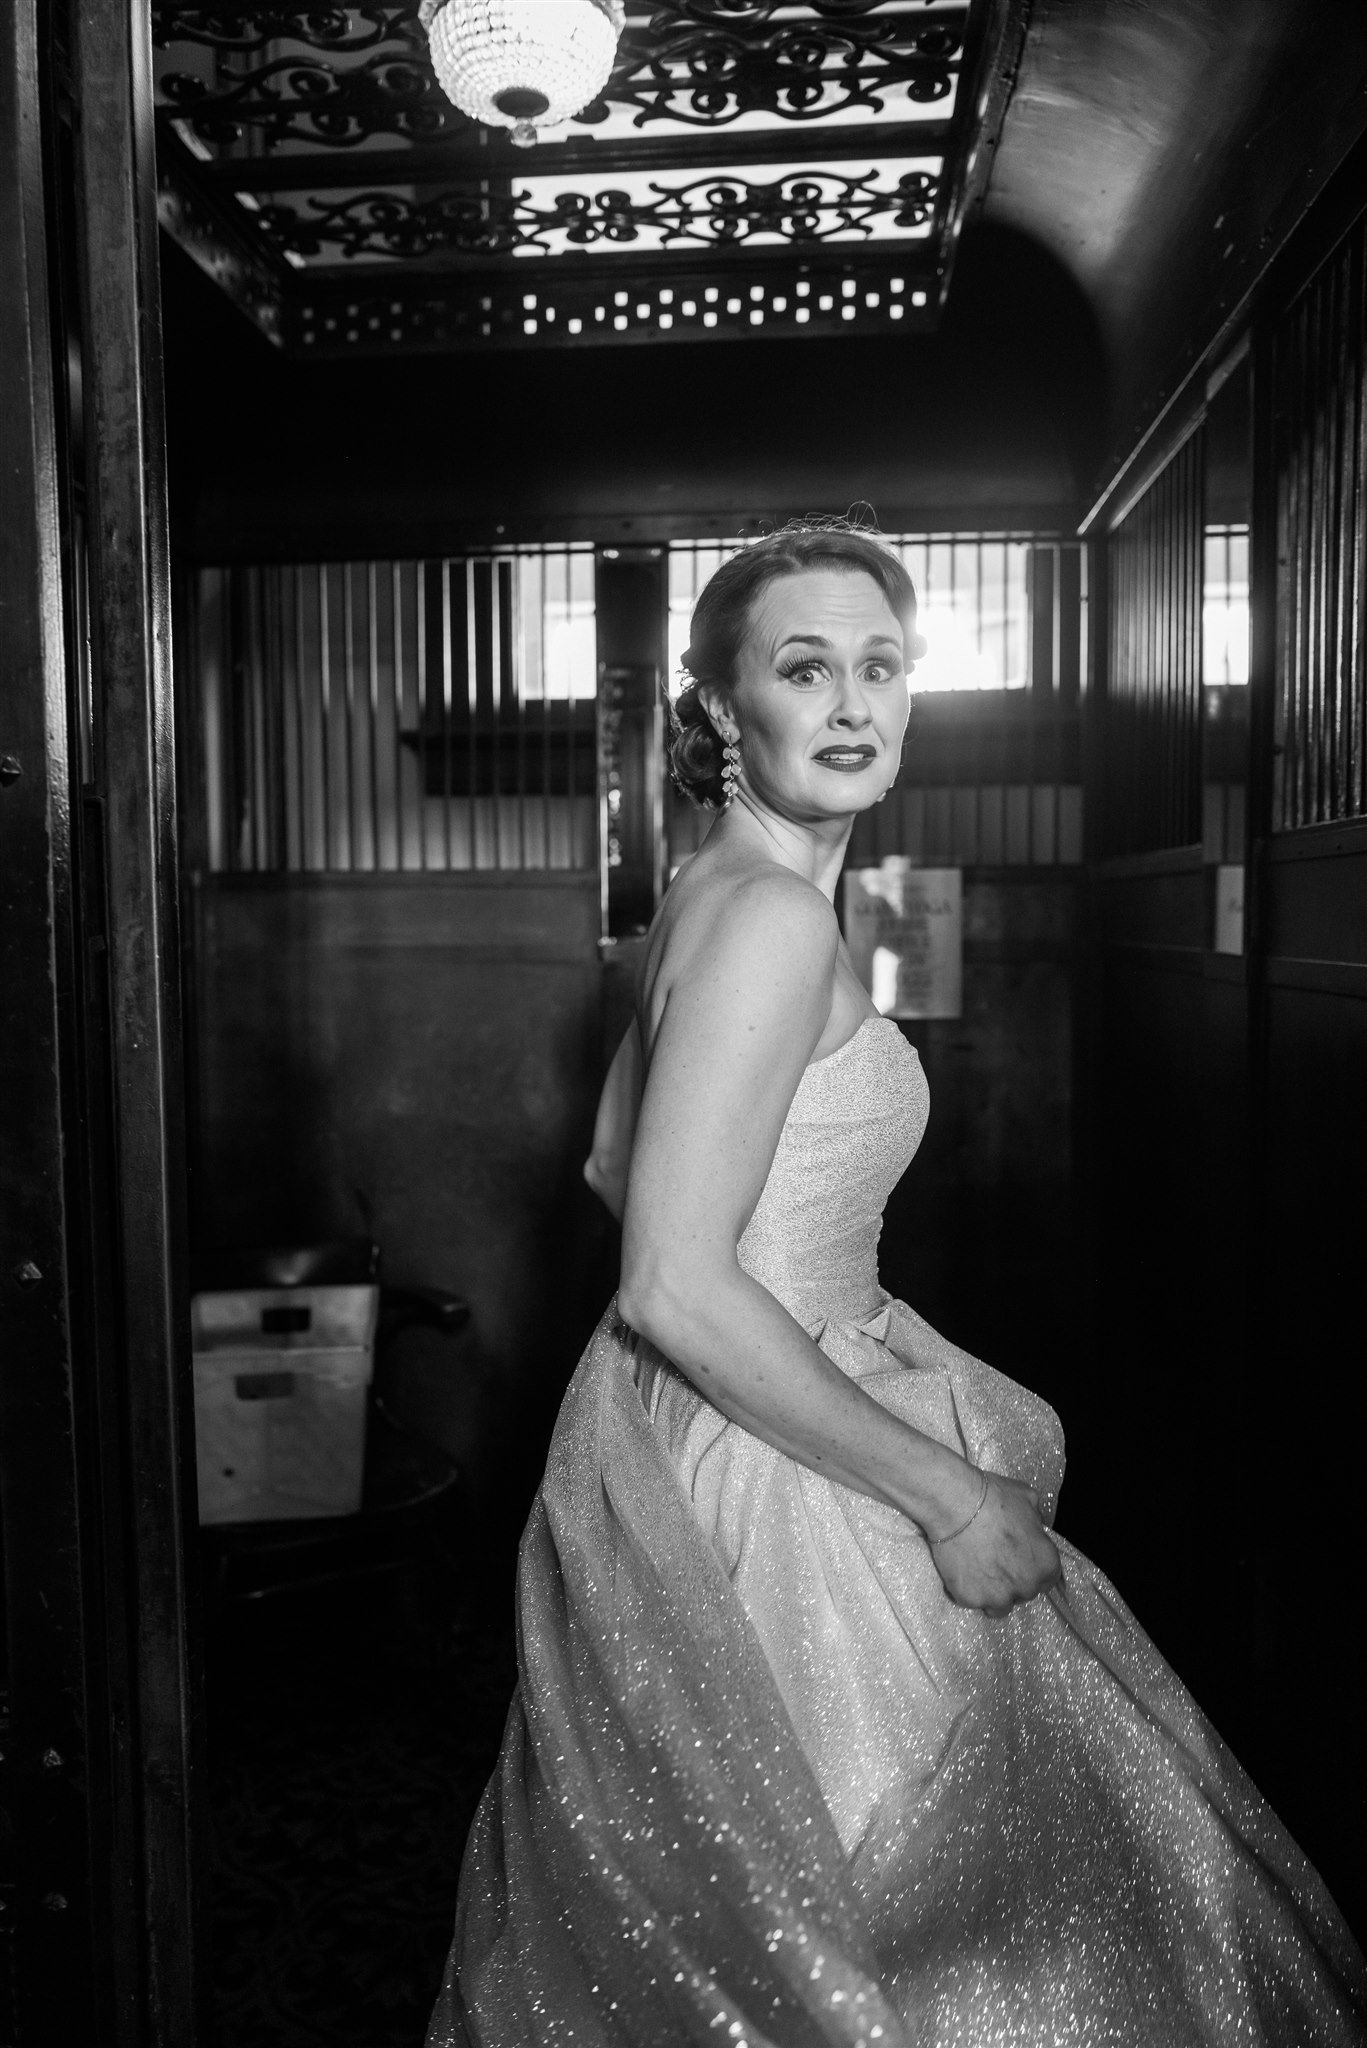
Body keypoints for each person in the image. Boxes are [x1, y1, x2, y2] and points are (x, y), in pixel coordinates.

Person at [427, 521, 1366, 2047]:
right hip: (771, 1472)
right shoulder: (775, 918)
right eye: (806, 669)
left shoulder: (723, 890)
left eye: (882, 666)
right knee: (887, 1931)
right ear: (727, 712)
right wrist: (945, 1492)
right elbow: (668, 1273)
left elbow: (614, 1167)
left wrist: (839, 1303)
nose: (855, 702)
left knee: (808, 1922)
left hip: (716, 1415)